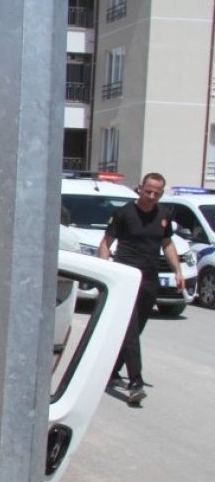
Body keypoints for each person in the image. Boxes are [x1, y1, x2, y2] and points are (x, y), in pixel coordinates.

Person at [98, 172, 185, 406]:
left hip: (149, 280)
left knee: (135, 331)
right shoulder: (123, 213)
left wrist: (177, 271)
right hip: (126, 277)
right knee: (130, 327)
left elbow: (167, 244)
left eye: (156, 193)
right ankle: (135, 382)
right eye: (148, 191)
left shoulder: (163, 216)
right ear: (140, 188)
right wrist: (104, 272)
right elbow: (106, 243)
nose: (151, 196)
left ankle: (111, 371)